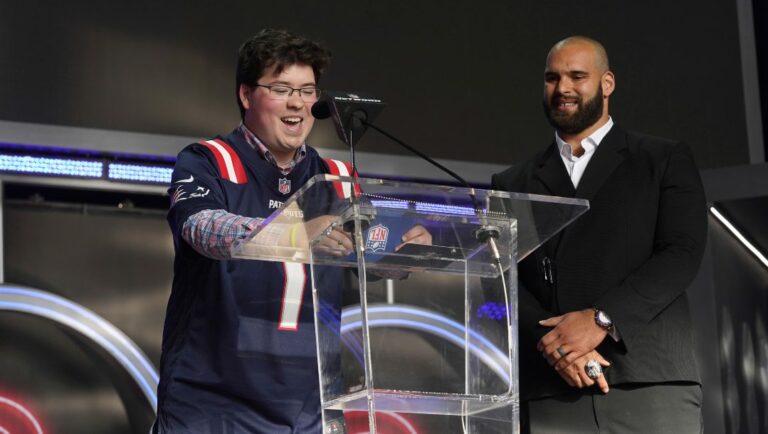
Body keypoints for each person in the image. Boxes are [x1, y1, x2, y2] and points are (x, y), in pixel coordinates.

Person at [153, 28, 430, 433]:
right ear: (247, 95)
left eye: (308, 90)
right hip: (210, 404)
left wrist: (405, 251)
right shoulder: (208, 159)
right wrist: (295, 234)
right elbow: (202, 230)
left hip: (308, 407)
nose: (297, 104)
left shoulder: (337, 176)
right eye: (281, 89)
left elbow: (371, 253)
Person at [491, 36, 706, 433]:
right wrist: (558, 347)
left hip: (648, 380)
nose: (563, 89)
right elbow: (504, 276)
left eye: (577, 76)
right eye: (552, 78)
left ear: (607, 83)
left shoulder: (662, 158)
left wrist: (603, 320)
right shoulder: (510, 182)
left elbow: (682, 253)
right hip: (552, 390)